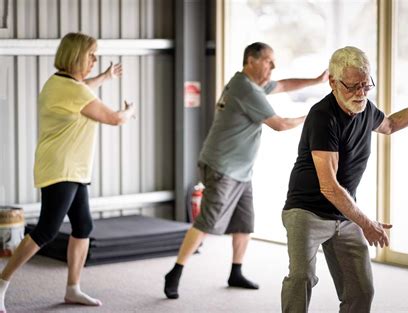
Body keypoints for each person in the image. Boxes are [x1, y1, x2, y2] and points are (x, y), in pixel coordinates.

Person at [281, 46, 408, 313]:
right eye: (353, 86)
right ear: (333, 82)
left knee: (361, 290)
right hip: (306, 211)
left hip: (343, 214)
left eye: (366, 86)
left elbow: (390, 125)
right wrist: (367, 224)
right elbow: (329, 187)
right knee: (302, 278)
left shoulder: (365, 108)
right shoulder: (322, 116)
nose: (360, 94)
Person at [164, 42, 329, 299]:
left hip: (242, 169)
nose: (273, 66)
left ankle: (236, 272)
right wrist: (313, 115)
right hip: (223, 167)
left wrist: (317, 80)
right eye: (268, 61)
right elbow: (280, 124)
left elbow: (284, 85)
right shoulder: (245, 89)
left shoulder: (252, 84)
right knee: (207, 221)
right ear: (251, 61)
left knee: (244, 223)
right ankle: (175, 272)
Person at [0, 32, 136, 312]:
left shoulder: (61, 83)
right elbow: (113, 118)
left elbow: (84, 86)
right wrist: (129, 112)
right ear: (75, 56)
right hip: (61, 169)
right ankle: (1, 282)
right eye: (91, 55)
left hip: (73, 169)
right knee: (46, 230)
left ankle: (73, 288)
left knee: (83, 227)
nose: (95, 60)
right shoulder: (73, 90)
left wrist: (104, 78)